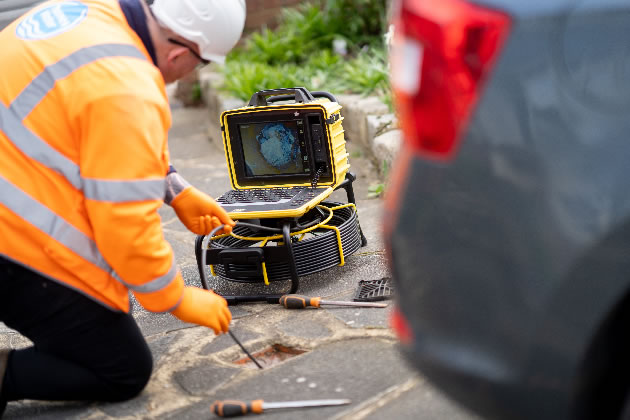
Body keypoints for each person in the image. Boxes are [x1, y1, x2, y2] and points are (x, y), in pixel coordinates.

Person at [0, 0, 246, 415]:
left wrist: (176, 190)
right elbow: (125, 226)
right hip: (10, 240)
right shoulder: (128, 84)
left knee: (108, 302)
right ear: (180, 54)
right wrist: (175, 298)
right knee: (122, 366)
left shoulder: (93, 11)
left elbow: (95, 129)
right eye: (201, 64)